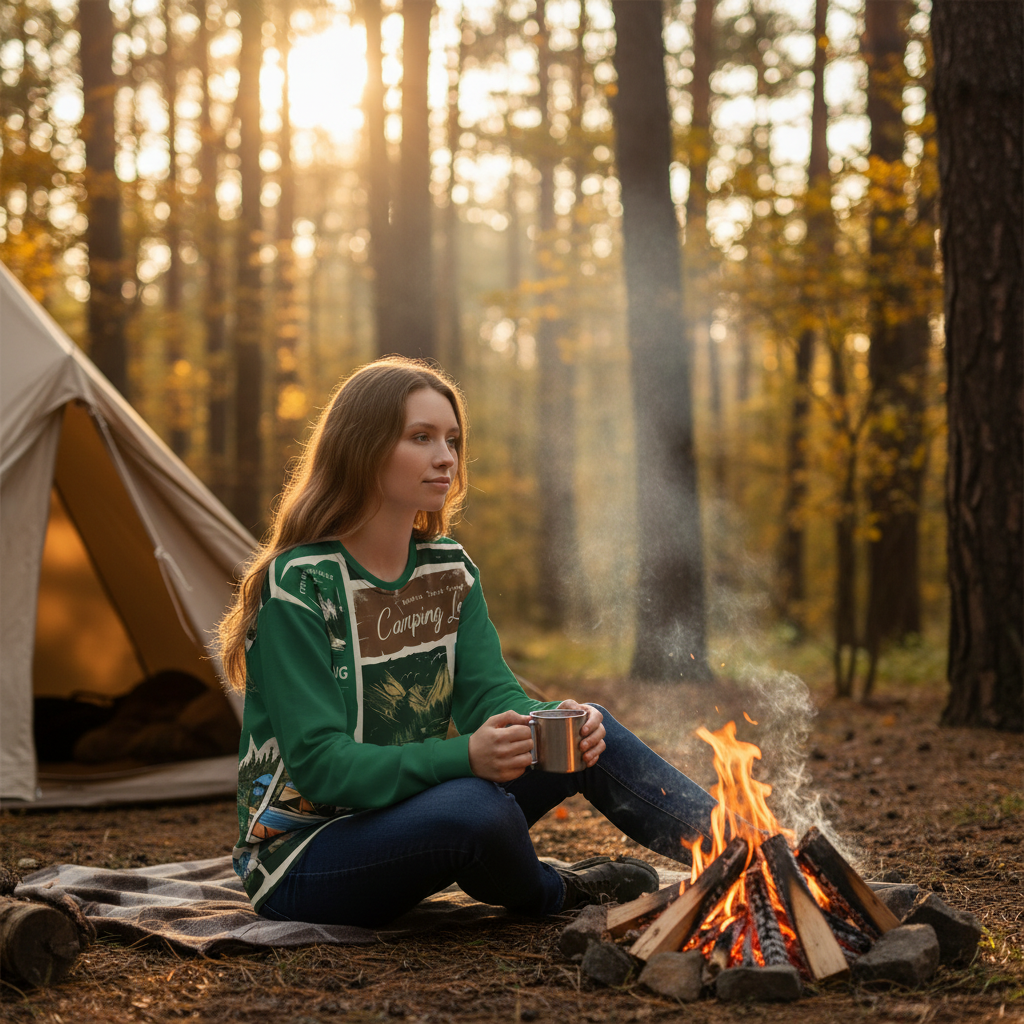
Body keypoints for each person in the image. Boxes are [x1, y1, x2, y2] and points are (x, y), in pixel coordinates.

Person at [218, 357, 718, 928]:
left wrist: (548, 722)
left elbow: (490, 697)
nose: (446, 458)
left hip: (411, 814)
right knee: (475, 809)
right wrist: (466, 757)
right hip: (303, 856)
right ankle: (557, 891)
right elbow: (320, 766)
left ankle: (754, 855)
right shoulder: (300, 586)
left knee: (583, 732)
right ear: (362, 448)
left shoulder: (448, 570)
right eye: (421, 437)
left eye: (452, 440)